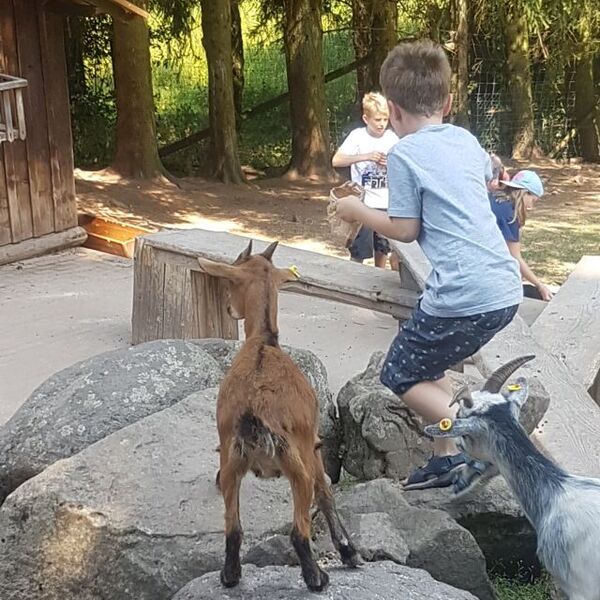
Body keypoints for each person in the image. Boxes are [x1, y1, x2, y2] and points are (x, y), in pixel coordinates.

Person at [335, 40, 523, 493]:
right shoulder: (465, 139)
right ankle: (444, 458)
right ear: (448, 102)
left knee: (398, 373)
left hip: (463, 294)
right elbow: (485, 172)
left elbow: (403, 229)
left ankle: (485, 431)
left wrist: (355, 211)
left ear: (393, 112)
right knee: (428, 357)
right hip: (504, 289)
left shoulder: (403, 155)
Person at [332, 92, 399, 270]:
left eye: (385, 119)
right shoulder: (357, 137)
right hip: (363, 204)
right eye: (377, 119)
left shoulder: (393, 138)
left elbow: (403, 167)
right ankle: (353, 278)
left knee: (383, 248)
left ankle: (380, 278)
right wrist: (365, 157)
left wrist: (390, 164)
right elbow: (336, 160)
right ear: (365, 118)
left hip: (386, 204)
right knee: (359, 250)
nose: (382, 124)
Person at [488, 160, 553, 301]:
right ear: (525, 193)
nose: (531, 207)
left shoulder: (494, 199)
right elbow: (515, 257)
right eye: (533, 201)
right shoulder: (508, 213)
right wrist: (540, 285)